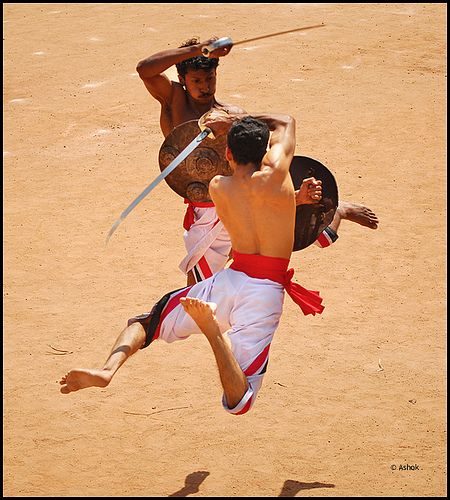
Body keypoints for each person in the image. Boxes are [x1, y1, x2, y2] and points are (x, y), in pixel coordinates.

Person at [59, 110, 325, 415]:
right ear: (265, 149)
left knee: (148, 322)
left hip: (229, 281)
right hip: (263, 293)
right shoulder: (277, 174)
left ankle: (107, 370)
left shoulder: (218, 187)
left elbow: (253, 209)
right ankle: (212, 331)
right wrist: (236, 121)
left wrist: (226, 128)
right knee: (241, 400)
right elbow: (286, 121)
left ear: (227, 153)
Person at [136, 36, 379, 284]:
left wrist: (234, 123)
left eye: (210, 79)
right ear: (183, 81)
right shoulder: (174, 100)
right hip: (205, 205)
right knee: (202, 282)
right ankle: (329, 207)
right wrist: (198, 50)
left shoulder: (232, 113)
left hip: (237, 197)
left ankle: (334, 208)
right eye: (196, 81)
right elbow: (144, 69)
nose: (205, 86)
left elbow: (265, 153)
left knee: (318, 237)